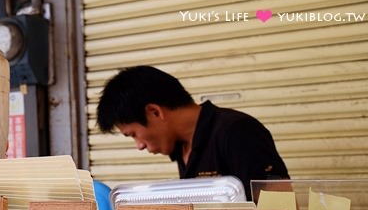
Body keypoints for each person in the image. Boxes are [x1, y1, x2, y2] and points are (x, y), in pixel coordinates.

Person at [96, 65, 290, 201]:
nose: (139, 145)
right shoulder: (181, 146)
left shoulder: (238, 131)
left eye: (133, 134)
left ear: (155, 112)